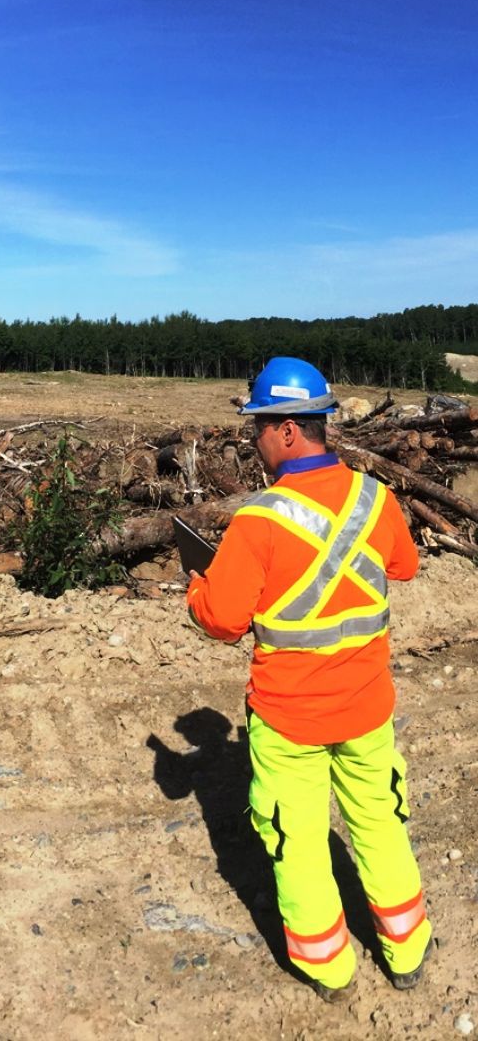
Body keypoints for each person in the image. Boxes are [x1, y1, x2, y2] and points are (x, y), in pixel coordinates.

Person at [185, 356, 431, 1002]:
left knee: (297, 845)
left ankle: (329, 970)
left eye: (258, 427)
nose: (254, 439)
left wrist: (197, 588)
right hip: (370, 707)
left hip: (289, 719)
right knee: (379, 821)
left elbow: (221, 621)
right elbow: (402, 568)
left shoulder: (259, 520)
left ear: (289, 430)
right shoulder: (376, 498)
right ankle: (407, 952)